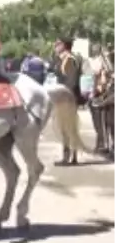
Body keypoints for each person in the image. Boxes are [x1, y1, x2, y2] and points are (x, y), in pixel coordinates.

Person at [54, 37, 83, 166]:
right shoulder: (62, 60)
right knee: (64, 129)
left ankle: (72, 157)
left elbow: (72, 82)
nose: (55, 45)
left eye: (58, 43)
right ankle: (68, 156)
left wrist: (63, 93)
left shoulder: (70, 61)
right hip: (62, 98)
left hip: (68, 99)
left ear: (65, 46)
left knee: (70, 128)